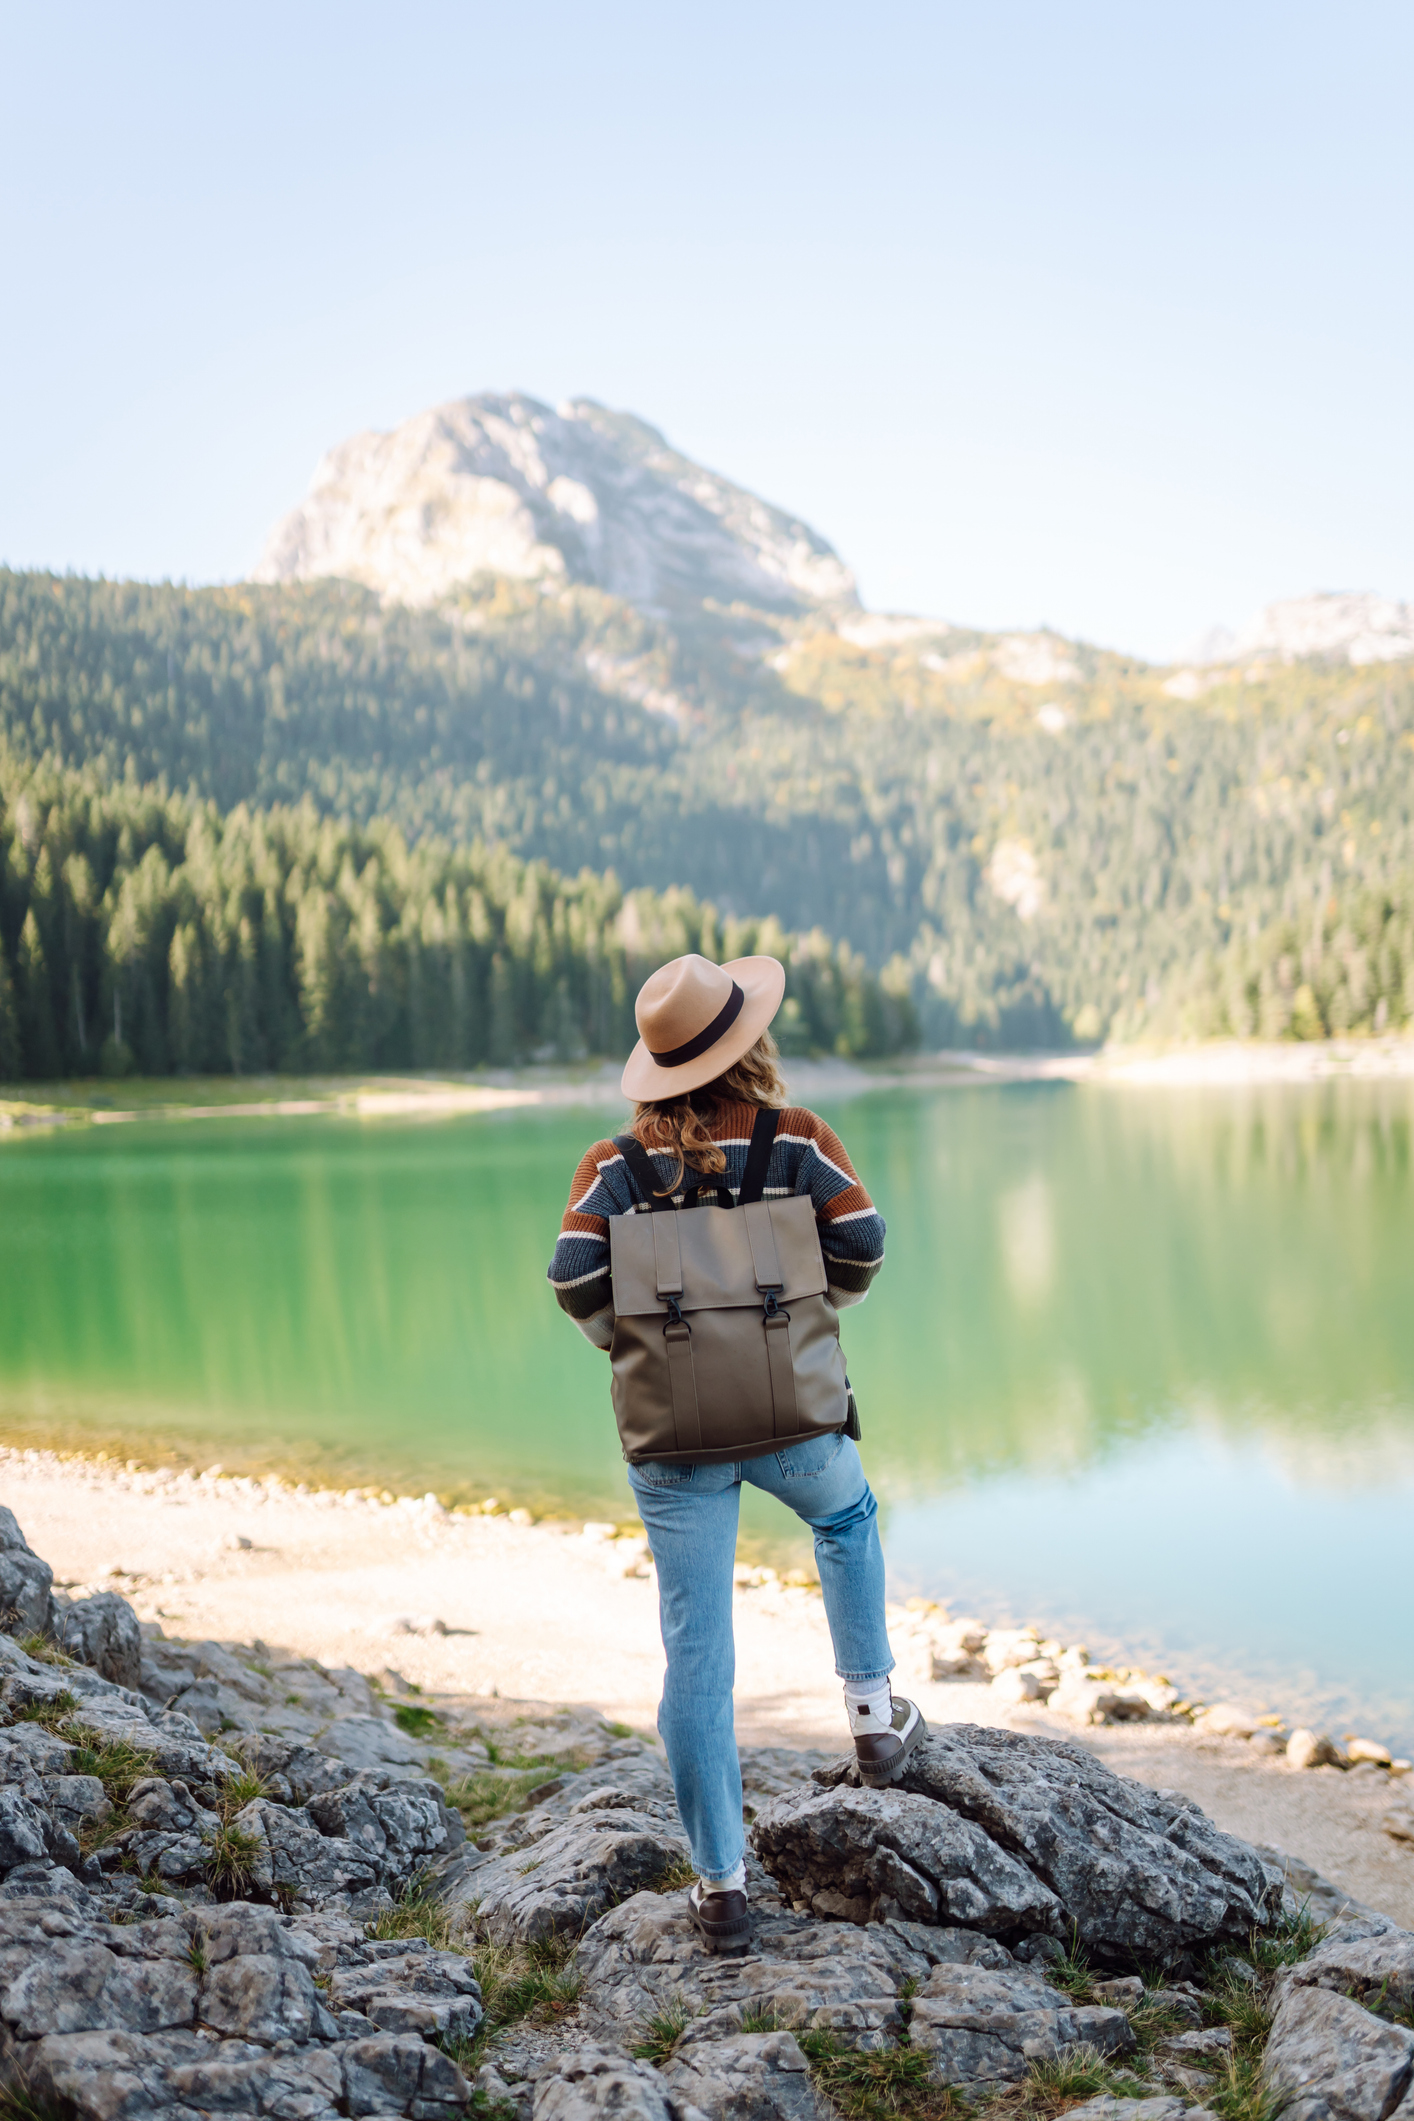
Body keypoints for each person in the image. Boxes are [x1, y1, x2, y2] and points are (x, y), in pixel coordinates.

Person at [547, 952, 924, 1953]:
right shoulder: (797, 1139)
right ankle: (873, 1718)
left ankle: (720, 1889)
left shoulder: (612, 1168)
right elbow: (865, 1246)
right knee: (844, 1517)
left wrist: (640, 1344)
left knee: (697, 1657)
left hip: (674, 1442)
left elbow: (574, 1282)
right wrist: (795, 1322)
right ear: (745, 1044)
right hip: (793, 1417)